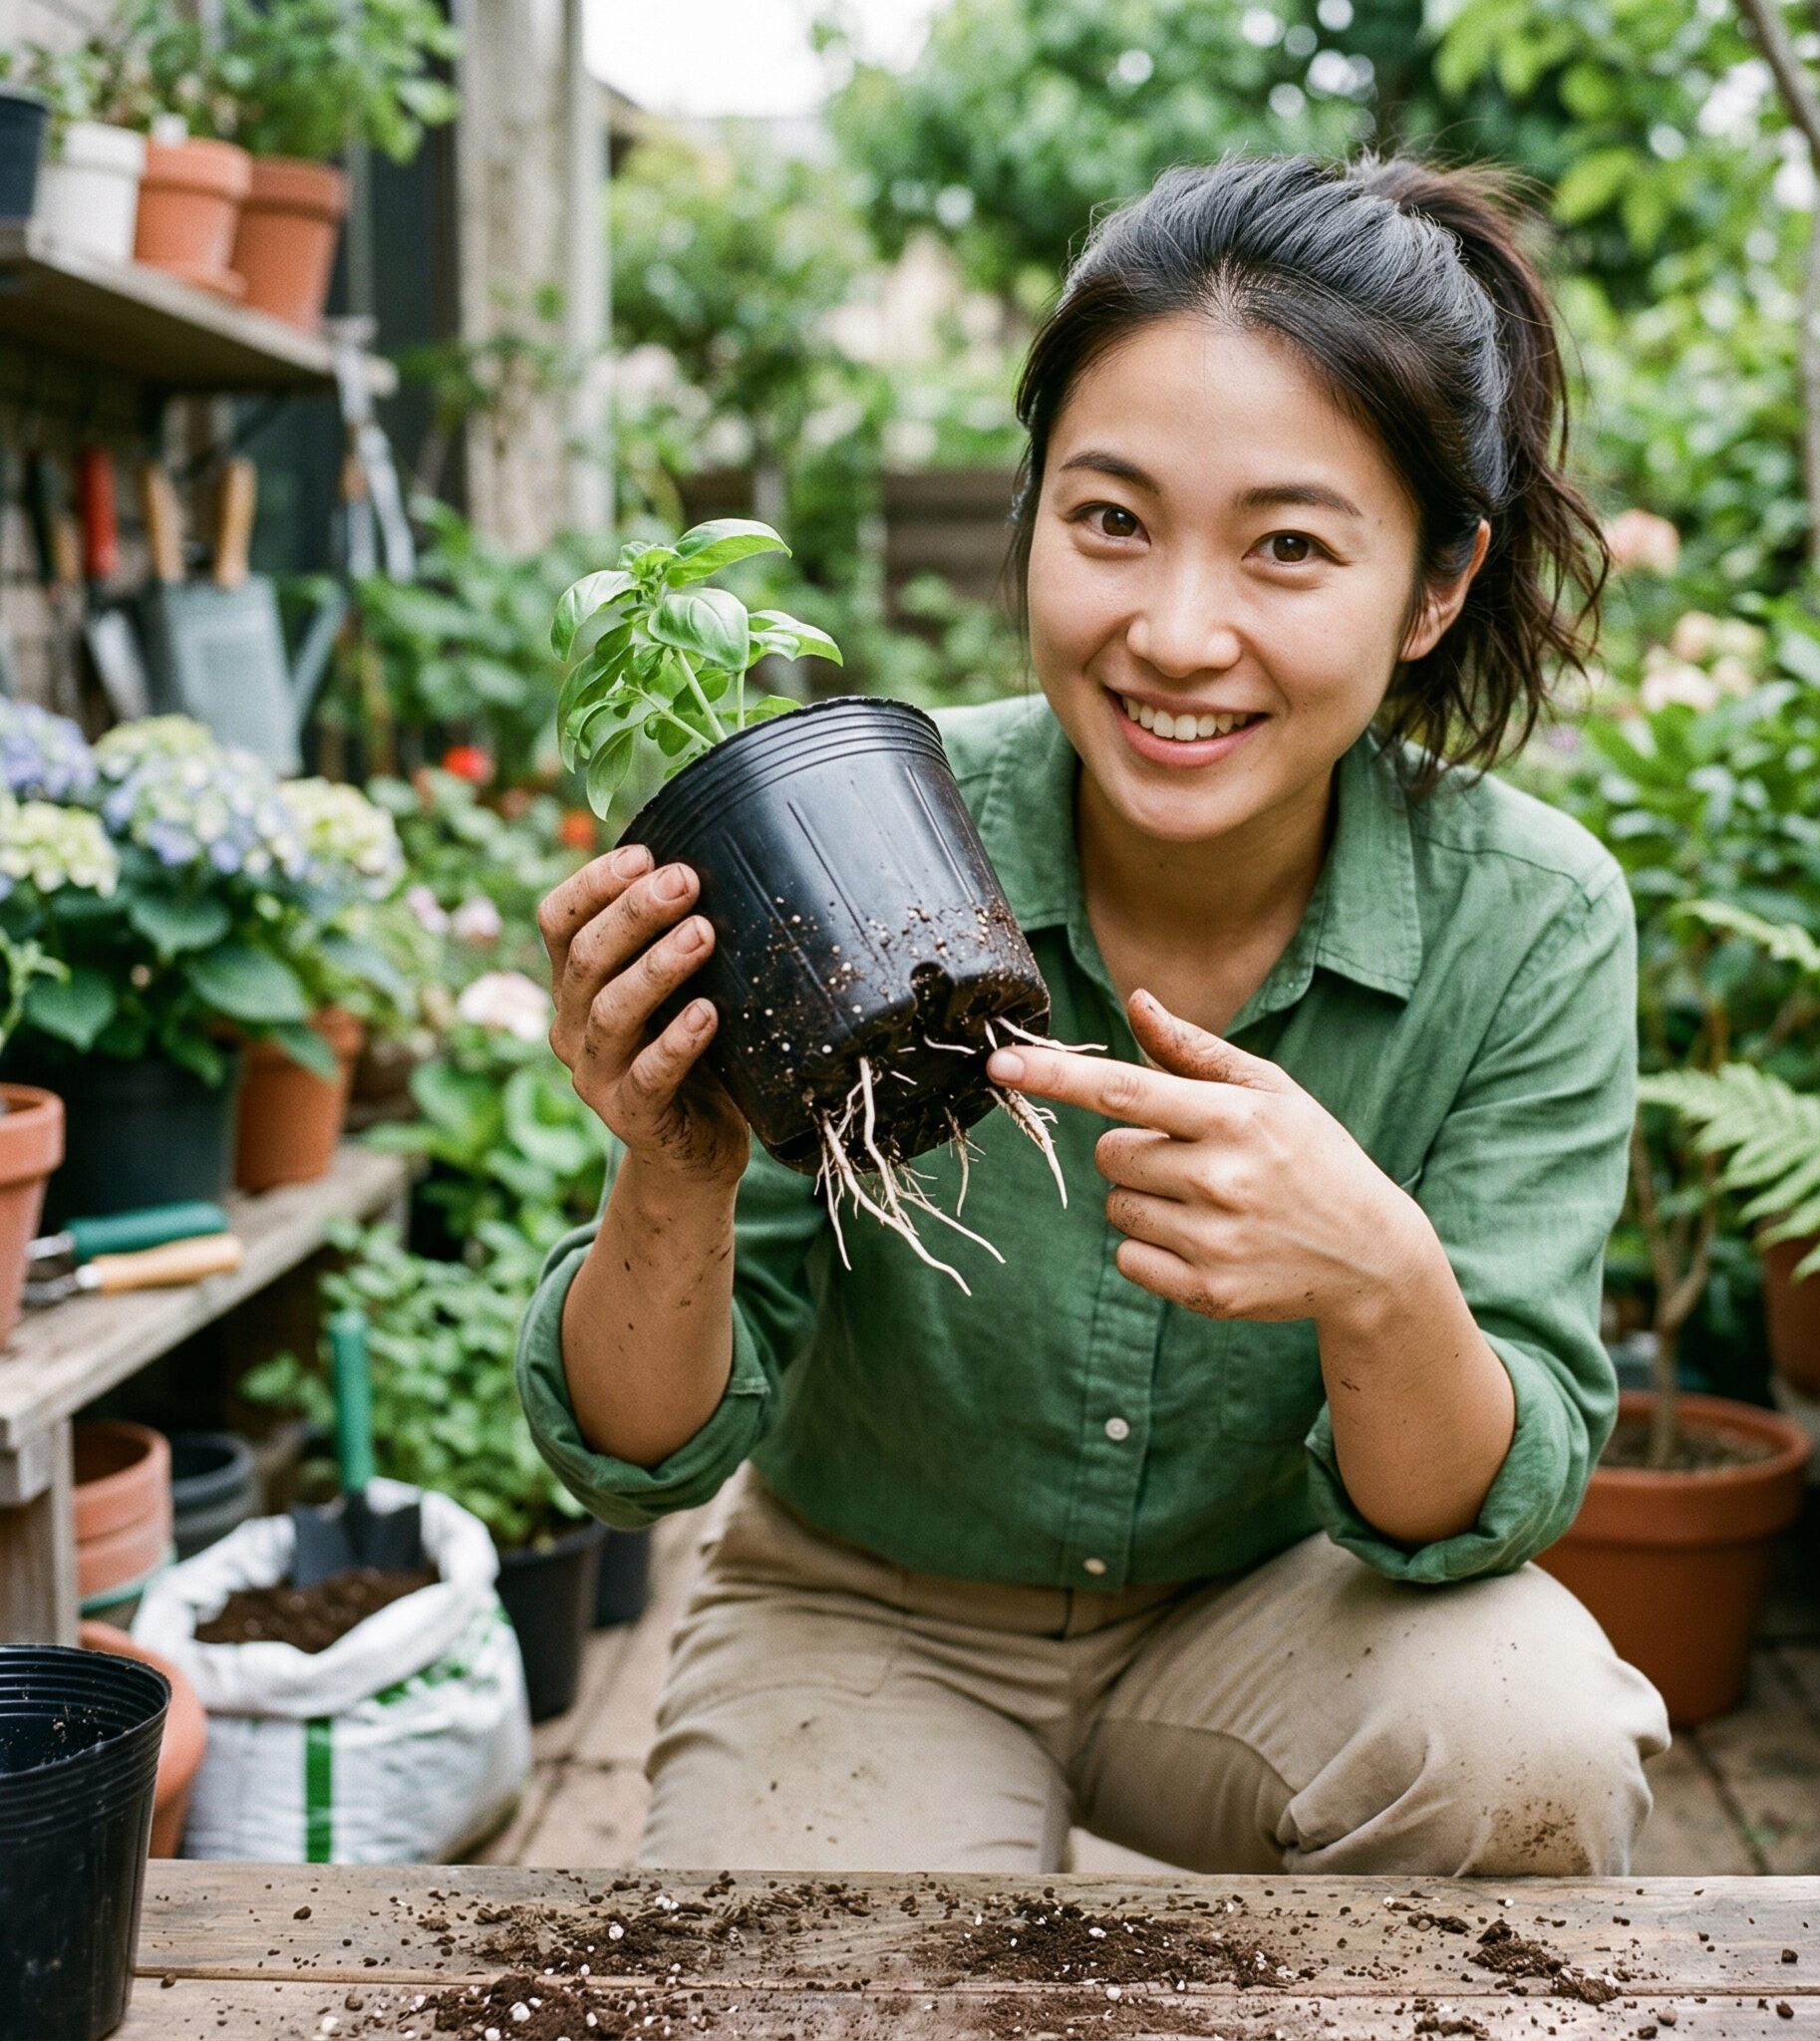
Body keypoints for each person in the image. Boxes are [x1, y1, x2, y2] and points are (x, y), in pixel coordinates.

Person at [517, 152, 1670, 1876]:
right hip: (866, 1615)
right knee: (819, 1975)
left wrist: (1379, 1274)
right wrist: (667, 1164)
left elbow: (1462, 1518)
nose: (1176, 631)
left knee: (1528, 1754)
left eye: (1289, 546)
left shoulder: (1530, 916)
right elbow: (641, 1461)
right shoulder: (846, 843)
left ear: (1434, 588)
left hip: (1279, 1610)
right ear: (1033, 511)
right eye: (1110, 520)